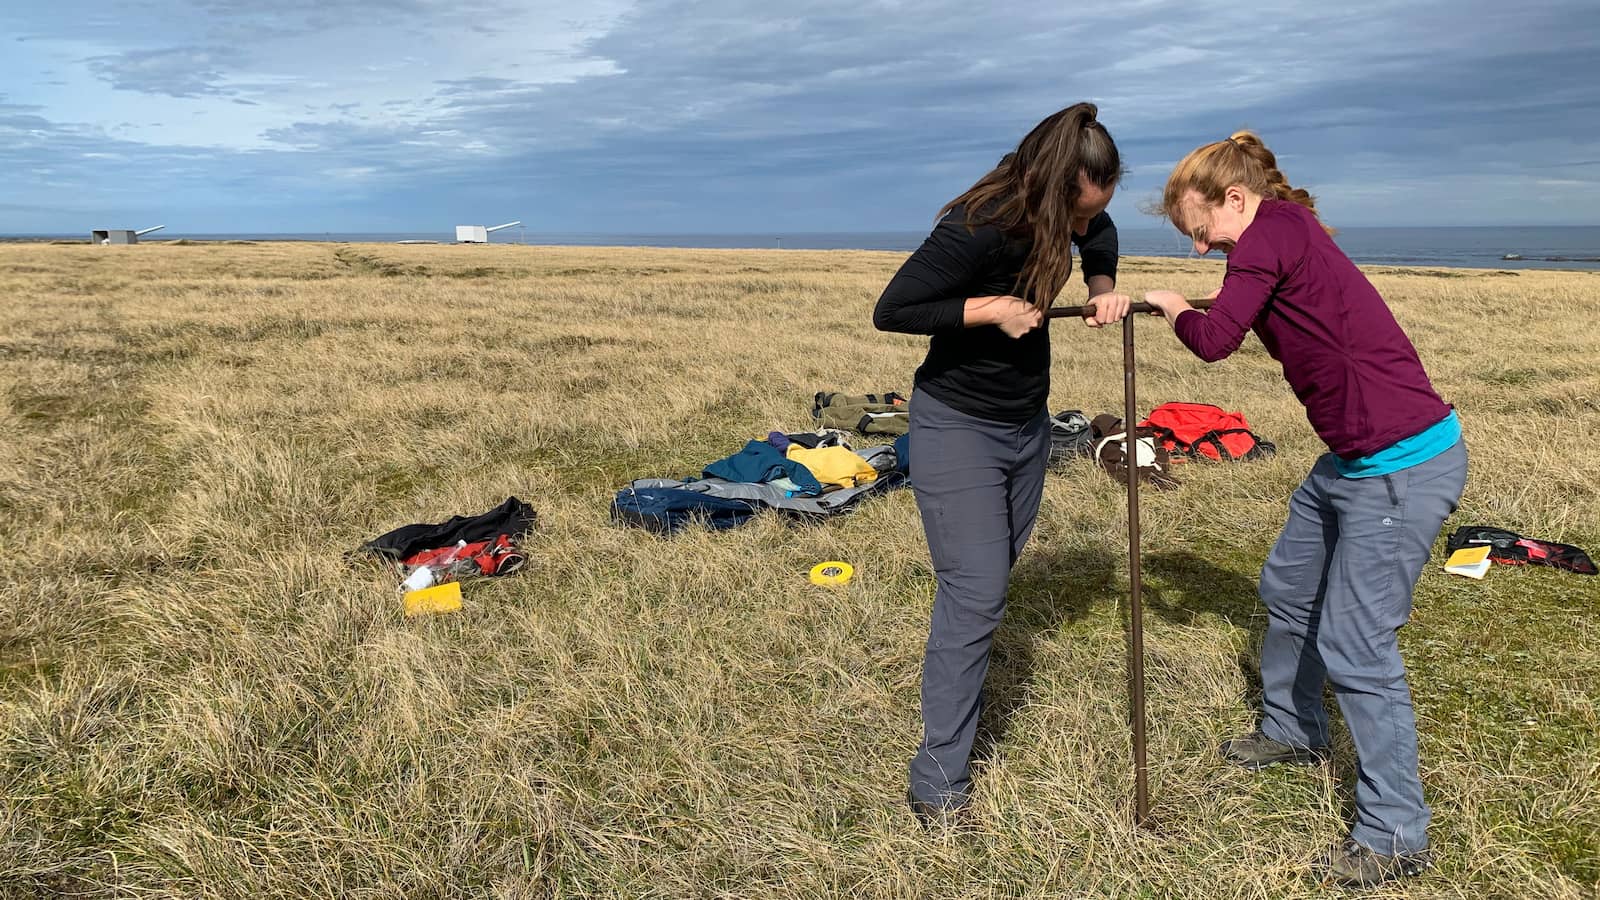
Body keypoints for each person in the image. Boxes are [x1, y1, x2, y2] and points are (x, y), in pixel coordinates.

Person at [1143, 131, 1467, 888]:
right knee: (1289, 590)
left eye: (1199, 232)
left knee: (1358, 646)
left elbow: (1218, 339)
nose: (1198, 251)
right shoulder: (1283, 233)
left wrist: (1170, 308)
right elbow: (1253, 304)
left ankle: (1395, 835)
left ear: (1234, 199)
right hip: (1351, 461)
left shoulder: (1269, 233)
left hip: (1402, 465)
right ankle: (1293, 732)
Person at [873, 102, 1133, 824]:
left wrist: (1102, 286)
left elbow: (1101, 229)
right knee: (977, 593)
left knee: (987, 579)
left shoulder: (1076, 218)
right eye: (1077, 216)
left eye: (1092, 215)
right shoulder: (980, 223)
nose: (1085, 229)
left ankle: (954, 709)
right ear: (1053, 189)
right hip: (957, 426)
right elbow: (894, 308)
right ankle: (938, 785)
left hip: (1027, 426)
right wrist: (989, 310)